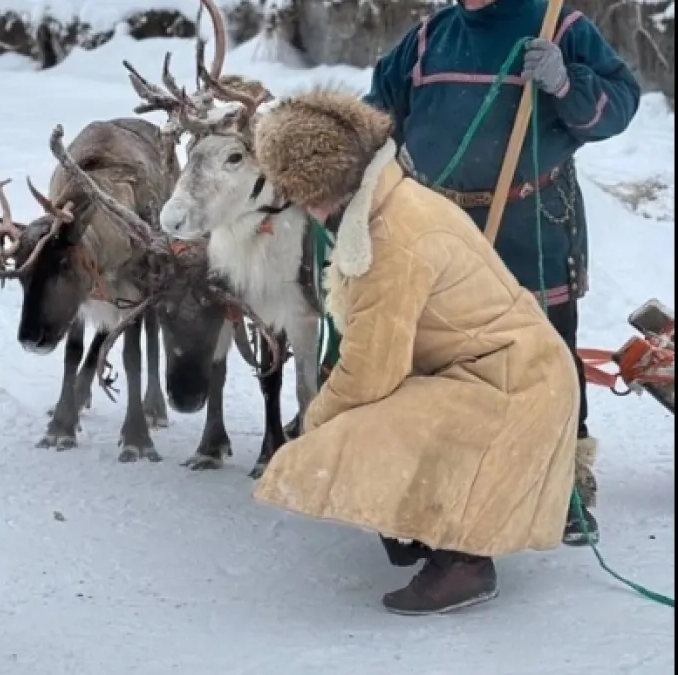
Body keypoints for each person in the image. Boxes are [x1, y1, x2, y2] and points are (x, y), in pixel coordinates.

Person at [250, 87, 581, 615]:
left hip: (515, 384)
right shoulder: (392, 199)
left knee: (359, 429)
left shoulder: (393, 240)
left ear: (314, 187)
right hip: (504, 368)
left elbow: (370, 372)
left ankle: (465, 562)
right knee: (375, 418)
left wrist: (317, 425)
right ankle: (423, 525)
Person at [361, 0, 642, 545]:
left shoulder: (558, 25)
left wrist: (567, 81)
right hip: (440, 223)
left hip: (532, 222)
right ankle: (448, 480)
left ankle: (564, 484)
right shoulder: (428, 38)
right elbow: (377, 113)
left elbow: (621, 104)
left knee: (549, 356)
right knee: (444, 354)